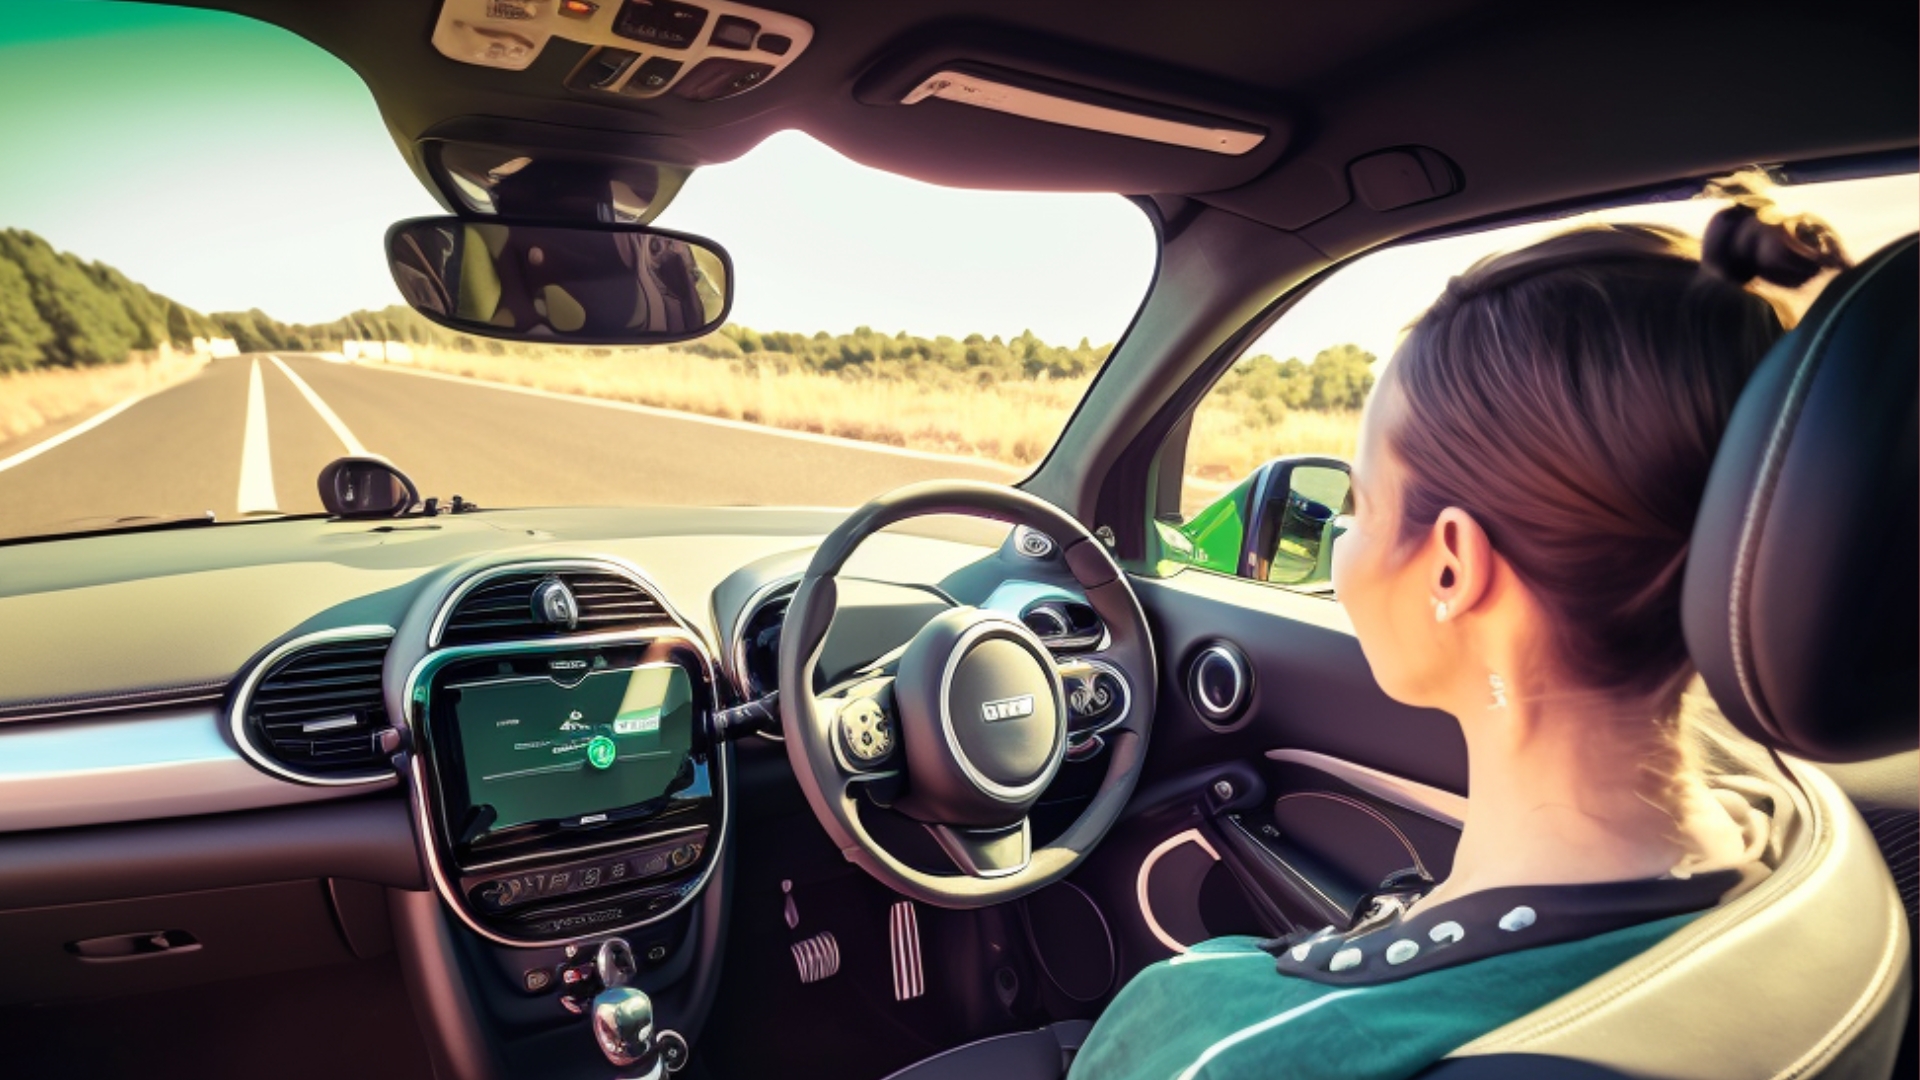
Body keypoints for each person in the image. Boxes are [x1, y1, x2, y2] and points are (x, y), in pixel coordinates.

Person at [1066, 186, 1850, 1080]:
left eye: (1358, 503)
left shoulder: (1222, 1037)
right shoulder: (1815, 864)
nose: (1344, 543)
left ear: (1452, 567)